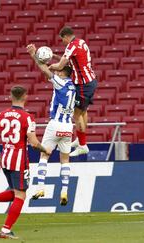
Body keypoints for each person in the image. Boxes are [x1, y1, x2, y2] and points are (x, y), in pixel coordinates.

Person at [0, 86, 51, 239]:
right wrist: (45, 150)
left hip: (5, 158)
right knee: (21, 195)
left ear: (10, 96)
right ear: (25, 97)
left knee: (16, 192)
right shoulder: (27, 117)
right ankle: (5, 230)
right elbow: (34, 142)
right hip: (19, 160)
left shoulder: (2, 114)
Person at [27, 43, 76, 205]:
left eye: (58, 70)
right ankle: (64, 191)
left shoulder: (60, 82)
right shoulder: (73, 87)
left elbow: (44, 69)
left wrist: (34, 54)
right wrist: (55, 56)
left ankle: (40, 187)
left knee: (44, 155)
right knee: (65, 160)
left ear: (63, 73)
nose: (56, 70)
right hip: (69, 127)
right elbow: (63, 63)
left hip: (55, 124)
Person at [49, 26, 97, 157]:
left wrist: (49, 66)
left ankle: (83, 145)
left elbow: (60, 66)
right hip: (90, 81)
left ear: (65, 36)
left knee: (76, 115)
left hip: (82, 84)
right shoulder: (81, 42)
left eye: (62, 40)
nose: (63, 42)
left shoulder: (71, 46)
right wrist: (54, 56)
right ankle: (80, 140)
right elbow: (72, 61)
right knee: (83, 112)